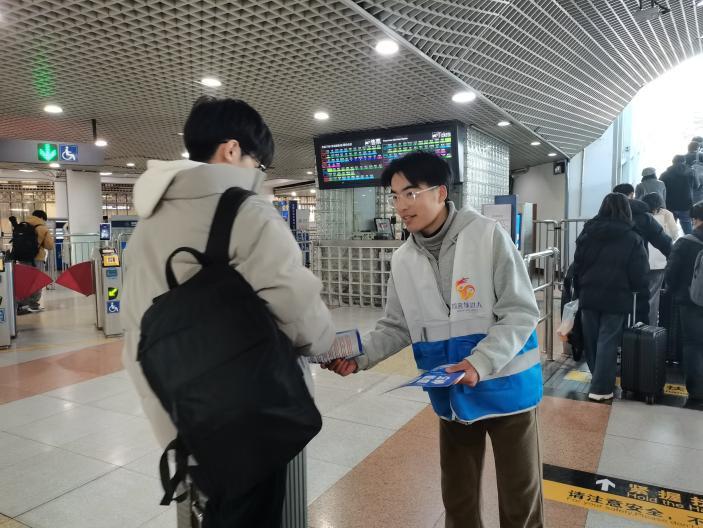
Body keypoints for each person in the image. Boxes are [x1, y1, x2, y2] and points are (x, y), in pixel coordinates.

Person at [121, 96, 335, 527]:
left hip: (180, 409)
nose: (260, 174)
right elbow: (297, 309)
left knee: (217, 510)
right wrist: (329, 344)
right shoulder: (245, 210)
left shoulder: (146, 224)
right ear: (232, 149)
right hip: (245, 412)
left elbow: (134, 327)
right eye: (260, 163)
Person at [325, 151, 544, 528]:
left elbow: (520, 311)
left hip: (508, 387)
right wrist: (357, 356)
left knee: (519, 498)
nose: (400, 206)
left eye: (410, 193)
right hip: (452, 392)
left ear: (441, 193)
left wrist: (480, 362)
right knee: (458, 497)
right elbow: (396, 327)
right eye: (394, 196)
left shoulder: (487, 236)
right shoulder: (403, 260)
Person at [573, 193, 649, 401]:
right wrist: (638, 288)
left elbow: (577, 263)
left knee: (591, 340)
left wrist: (579, 287)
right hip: (617, 296)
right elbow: (639, 271)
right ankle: (600, 387)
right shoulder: (632, 237)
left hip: (588, 293)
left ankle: (597, 377)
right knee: (608, 340)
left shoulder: (587, 232)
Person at [612, 183, 672, 323]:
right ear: (631, 195)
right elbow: (665, 243)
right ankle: (639, 332)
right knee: (638, 308)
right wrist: (675, 259)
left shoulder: (603, 218)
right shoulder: (644, 217)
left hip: (608, 271)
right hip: (636, 268)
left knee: (612, 314)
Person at [664, 201, 703, 403]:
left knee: (693, 344)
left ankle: (697, 391)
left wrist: (673, 291)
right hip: (689, 300)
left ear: (696, 219)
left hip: (690, 301)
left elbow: (671, 274)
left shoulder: (686, 242)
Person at [640, 192, 680, 326]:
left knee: (639, 296)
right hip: (659, 262)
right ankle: (650, 327)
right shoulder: (666, 214)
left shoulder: (640, 215)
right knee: (653, 297)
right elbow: (674, 234)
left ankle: (636, 325)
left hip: (641, 260)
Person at [14, 210, 54, 314]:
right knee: (36, 282)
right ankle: (33, 305)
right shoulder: (42, 228)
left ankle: (22, 305)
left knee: (24, 281)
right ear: (42, 218)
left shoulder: (23, 225)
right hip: (37, 258)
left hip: (22, 258)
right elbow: (50, 246)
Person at [660, 155, 696, 234]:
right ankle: (690, 241)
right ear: (684, 161)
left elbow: (661, 190)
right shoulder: (691, 172)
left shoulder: (664, 174)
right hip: (686, 204)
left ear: (672, 162)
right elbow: (696, 186)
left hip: (670, 205)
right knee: (687, 228)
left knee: (670, 230)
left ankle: (671, 242)